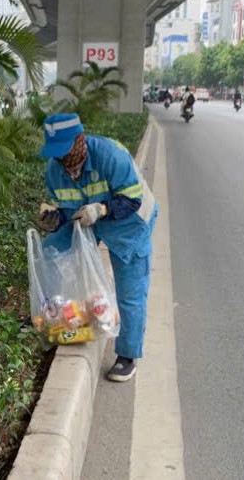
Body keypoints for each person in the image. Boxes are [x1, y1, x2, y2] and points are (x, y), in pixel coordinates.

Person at [33, 113, 157, 382]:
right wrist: (55, 218)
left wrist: (101, 209)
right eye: (56, 153)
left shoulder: (111, 156)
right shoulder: (53, 171)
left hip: (129, 223)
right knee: (52, 250)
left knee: (130, 290)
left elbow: (131, 200)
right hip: (87, 219)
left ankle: (127, 355)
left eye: (65, 151)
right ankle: (63, 319)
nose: (63, 160)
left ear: (80, 139)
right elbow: (66, 209)